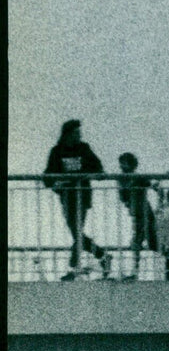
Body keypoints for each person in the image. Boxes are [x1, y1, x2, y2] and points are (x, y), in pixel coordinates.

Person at [43, 119, 111, 281]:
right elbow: (47, 176)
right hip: (67, 197)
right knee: (77, 234)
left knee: (76, 232)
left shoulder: (84, 149)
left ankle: (73, 268)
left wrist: (89, 174)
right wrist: (56, 182)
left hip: (82, 196)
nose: (79, 136)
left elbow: (98, 167)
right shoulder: (57, 151)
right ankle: (102, 257)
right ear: (67, 134)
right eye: (76, 133)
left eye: (80, 133)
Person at [117, 153, 158, 280]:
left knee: (137, 242)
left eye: (125, 163)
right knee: (153, 243)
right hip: (139, 213)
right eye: (121, 163)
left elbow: (151, 185)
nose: (122, 166)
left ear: (132, 164)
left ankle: (134, 272)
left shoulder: (137, 177)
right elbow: (123, 197)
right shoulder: (121, 179)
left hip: (144, 213)